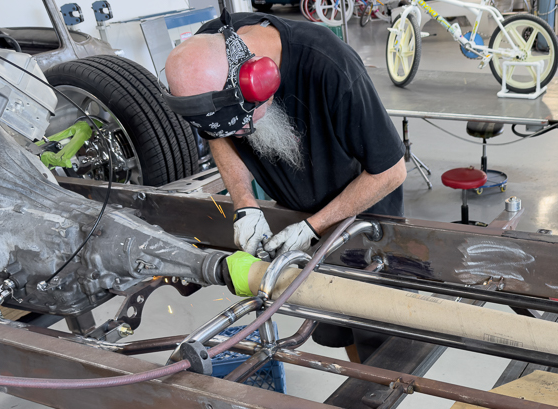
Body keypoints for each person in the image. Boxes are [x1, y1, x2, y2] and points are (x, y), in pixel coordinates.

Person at [163, 11, 406, 259]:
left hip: (364, 221)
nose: (237, 137)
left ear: (262, 83)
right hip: (293, 216)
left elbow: (391, 172)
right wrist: (245, 203)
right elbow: (218, 136)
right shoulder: (204, 54)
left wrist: (313, 227)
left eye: (241, 125)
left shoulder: (331, 66)